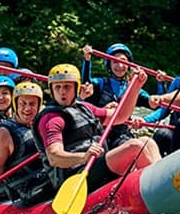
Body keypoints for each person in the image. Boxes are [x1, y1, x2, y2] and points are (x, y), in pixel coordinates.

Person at [34, 63, 160, 194]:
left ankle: (164, 182)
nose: (62, 91)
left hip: (96, 164)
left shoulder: (85, 108)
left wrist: (135, 87)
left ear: (76, 88)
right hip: (76, 175)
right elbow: (54, 157)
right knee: (134, 146)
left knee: (147, 141)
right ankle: (159, 190)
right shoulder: (50, 119)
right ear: (52, 89)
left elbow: (121, 116)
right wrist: (83, 157)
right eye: (57, 87)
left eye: (67, 87)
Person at [0, 81, 54, 205]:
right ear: (15, 104)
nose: (27, 108)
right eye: (23, 104)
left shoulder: (42, 124)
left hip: (45, 177)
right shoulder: (3, 134)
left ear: (39, 105)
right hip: (26, 189)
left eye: (32, 104)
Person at [80, 43, 153, 147]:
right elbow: (86, 86)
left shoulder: (134, 88)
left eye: (123, 61)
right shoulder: (100, 83)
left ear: (129, 65)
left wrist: (145, 120)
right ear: (109, 64)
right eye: (115, 62)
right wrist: (87, 60)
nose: (119, 66)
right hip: (100, 134)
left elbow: (156, 104)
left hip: (121, 135)